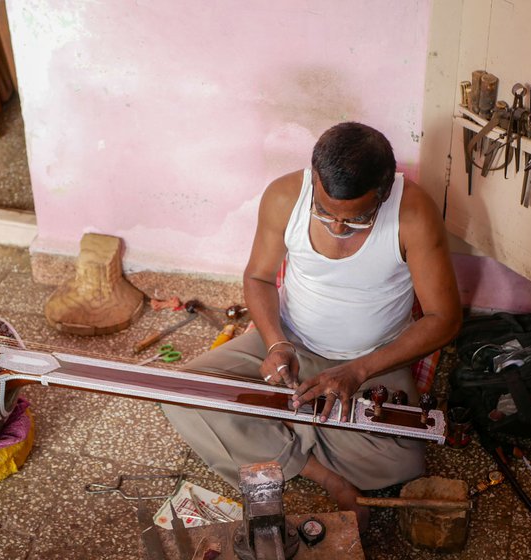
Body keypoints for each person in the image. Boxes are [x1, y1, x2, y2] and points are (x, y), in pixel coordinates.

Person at [162, 122, 462, 532]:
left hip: (372, 359)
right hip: (292, 342)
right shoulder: (285, 195)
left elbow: (444, 319)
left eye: (355, 220)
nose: (337, 228)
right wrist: (275, 343)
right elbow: (260, 278)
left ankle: (270, 428)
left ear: (384, 191)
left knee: (404, 459)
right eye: (325, 213)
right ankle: (324, 472)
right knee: (181, 391)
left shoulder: (414, 212)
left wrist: (358, 371)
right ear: (314, 179)